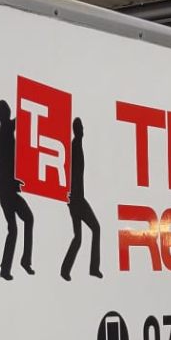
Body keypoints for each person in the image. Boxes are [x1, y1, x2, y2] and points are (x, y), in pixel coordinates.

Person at [0, 100, 33, 280]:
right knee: (16, 226)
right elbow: (5, 165)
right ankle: (11, 266)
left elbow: (20, 120)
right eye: (7, 111)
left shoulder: (6, 130)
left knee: (20, 224)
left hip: (6, 186)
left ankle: (15, 264)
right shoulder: (5, 132)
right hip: (6, 188)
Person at [60, 116, 101, 280]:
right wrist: (71, 196)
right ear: (77, 130)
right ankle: (92, 268)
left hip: (75, 199)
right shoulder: (75, 146)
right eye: (80, 128)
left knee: (78, 237)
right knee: (95, 229)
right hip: (77, 199)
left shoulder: (77, 145)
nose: (83, 130)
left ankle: (65, 270)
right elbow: (72, 174)